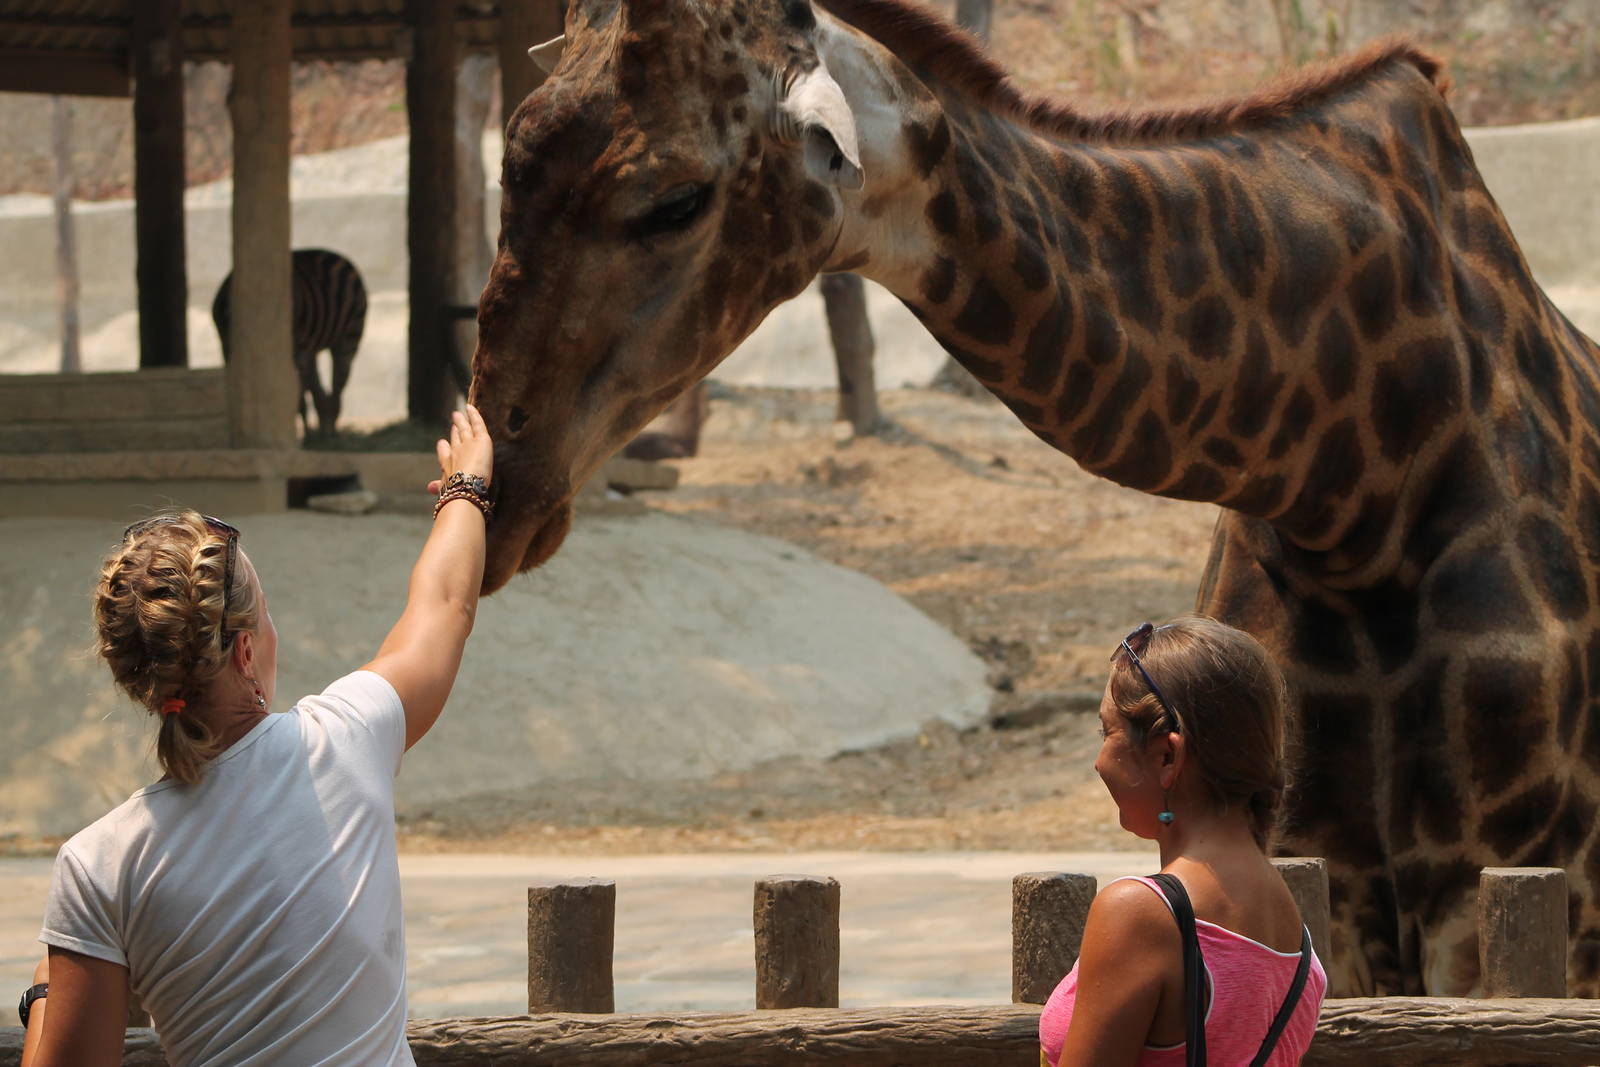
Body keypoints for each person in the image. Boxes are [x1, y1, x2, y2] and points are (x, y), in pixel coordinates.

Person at [19, 406, 497, 1067]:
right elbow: (445, 604)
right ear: (245, 652)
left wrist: (46, 985)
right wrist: (466, 485)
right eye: (268, 618)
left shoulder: (100, 866)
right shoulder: (346, 740)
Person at [1040, 615, 1328, 1067]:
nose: (1098, 762)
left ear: (1167, 755)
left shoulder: (1140, 914)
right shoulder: (1292, 927)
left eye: (1106, 733)